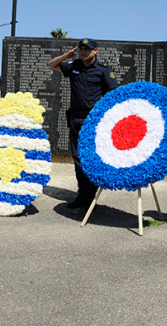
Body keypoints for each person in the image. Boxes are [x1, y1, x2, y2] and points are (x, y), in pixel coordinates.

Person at [48, 38, 117, 209]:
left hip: (93, 121)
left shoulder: (103, 70)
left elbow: (112, 95)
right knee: (78, 159)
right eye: (81, 49)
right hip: (75, 119)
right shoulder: (74, 66)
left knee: (90, 159)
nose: (84, 52)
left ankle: (89, 195)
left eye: (88, 49)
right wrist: (67, 55)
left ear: (96, 51)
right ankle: (83, 194)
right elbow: (51, 65)